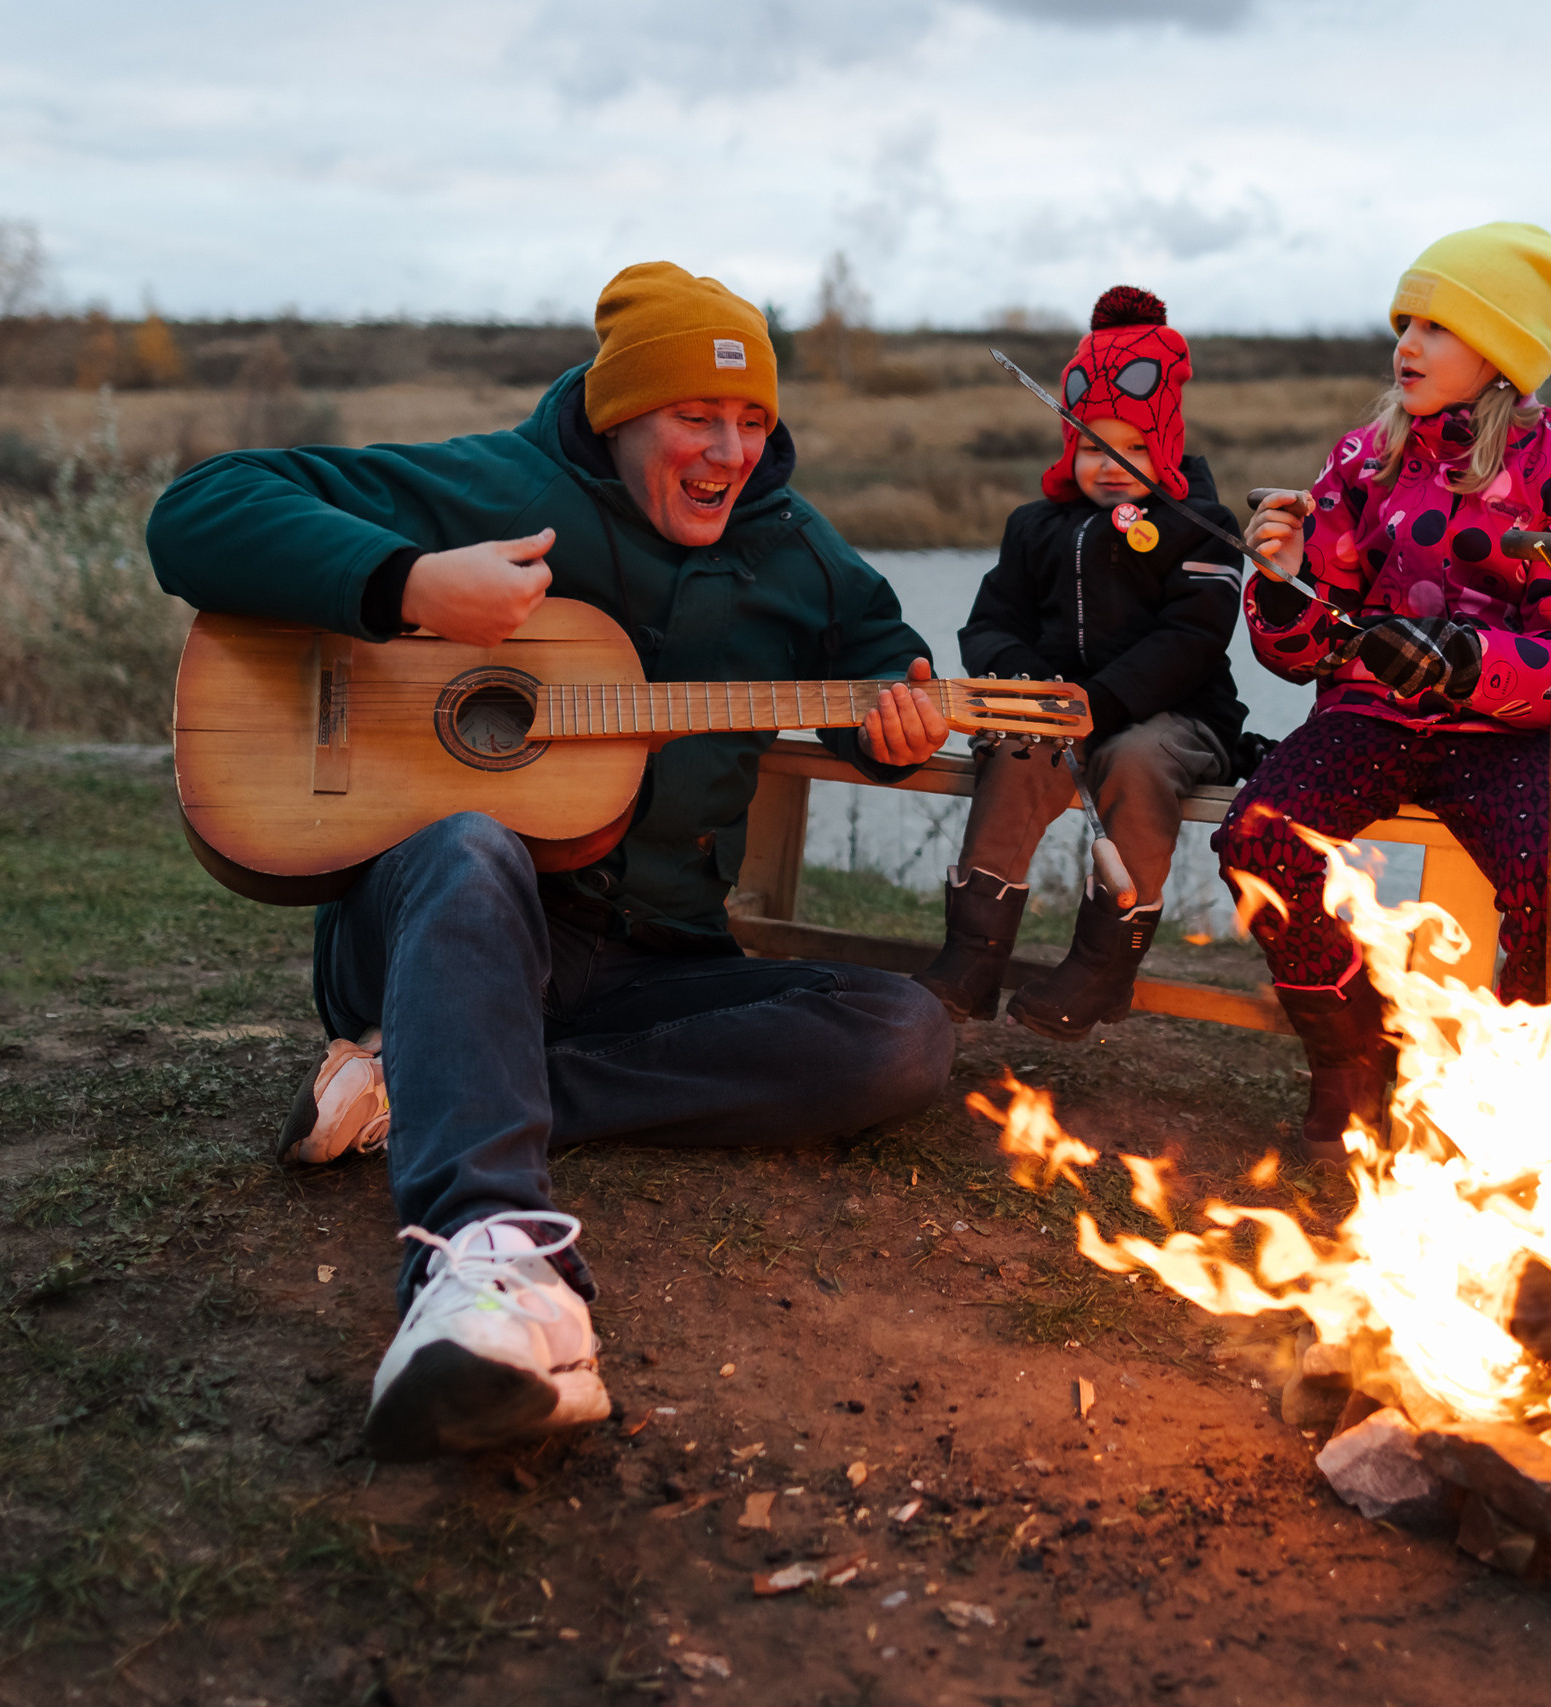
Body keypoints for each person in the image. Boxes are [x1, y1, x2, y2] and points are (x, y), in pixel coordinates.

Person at [146, 262, 957, 1461]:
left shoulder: (799, 553)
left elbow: (883, 665)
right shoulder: (490, 487)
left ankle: (428, 1088)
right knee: (475, 839)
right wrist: (412, 586)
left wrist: (899, 723)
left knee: (903, 1035)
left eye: (752, 420)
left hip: (652, 965)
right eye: (698, 416)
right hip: (445, 928)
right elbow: (198, 513)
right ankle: (486, 1264)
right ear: (624, 412)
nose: (729, 448)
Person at [1217, 223, 1551, 1159]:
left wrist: (1461, 659)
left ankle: (1529, 1098)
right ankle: (1353, 1055)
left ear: (1502, 351)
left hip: (1504, 736)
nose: (1406, 345)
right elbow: (1306, 649)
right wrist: (1283, 579)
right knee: (1256, 835)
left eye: (1436, 327)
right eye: (1405, 323)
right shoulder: (1364, 458)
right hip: (1368, 715)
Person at [914, 286, 1245, 1038]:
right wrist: (1034, 685)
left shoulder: (1200, 527)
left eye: (1134, 447)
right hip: (1063, 711)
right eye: (1094, 444)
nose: (1112, 464)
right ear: (1070, 445)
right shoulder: (1036, 528)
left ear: (1163, 444)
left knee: (1134, 759)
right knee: (1020, 745)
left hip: (1176, 716)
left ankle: (1103, 966)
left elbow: (1194, 639)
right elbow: (990, 623)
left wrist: (1100, 700)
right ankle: (972, 955)